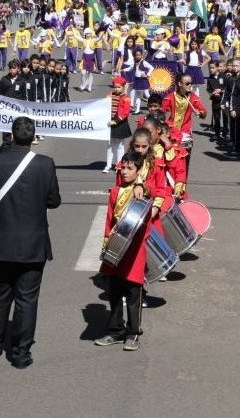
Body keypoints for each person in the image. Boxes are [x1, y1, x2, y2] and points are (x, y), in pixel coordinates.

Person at [0, 116, 61, 368]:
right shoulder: (45, 164)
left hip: (3, 239)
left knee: (0, 294)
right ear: (33, 137)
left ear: (12, 136)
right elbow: (54, 200)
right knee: (27, 298)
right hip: (34, 241)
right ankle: (21, 353)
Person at [95, 151, 157, 351]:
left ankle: (133, 333)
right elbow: (109, 219)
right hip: (116, 247)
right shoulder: (115, 191)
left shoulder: (142, 191)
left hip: (134, 249)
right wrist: (106, 242)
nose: (125, 171)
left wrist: (140, 183)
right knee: (114, 291)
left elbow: (152, 192)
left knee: (132, 292)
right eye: (123, 167)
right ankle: (115, 330)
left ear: (139, 171)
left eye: (130, 168)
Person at [104, 76, 132, 173]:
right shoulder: (110, 94)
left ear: (123, 87)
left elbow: (125, 112)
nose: (116, 89)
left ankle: (119, 164)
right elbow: (104, 106)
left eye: (118, 87)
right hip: (110, 122)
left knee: (120, 145)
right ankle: (108, 165)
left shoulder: (126, 98)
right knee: (110, 145)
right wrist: (106, 99)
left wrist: (115, 121)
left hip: (120, 123)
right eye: (115, 87)